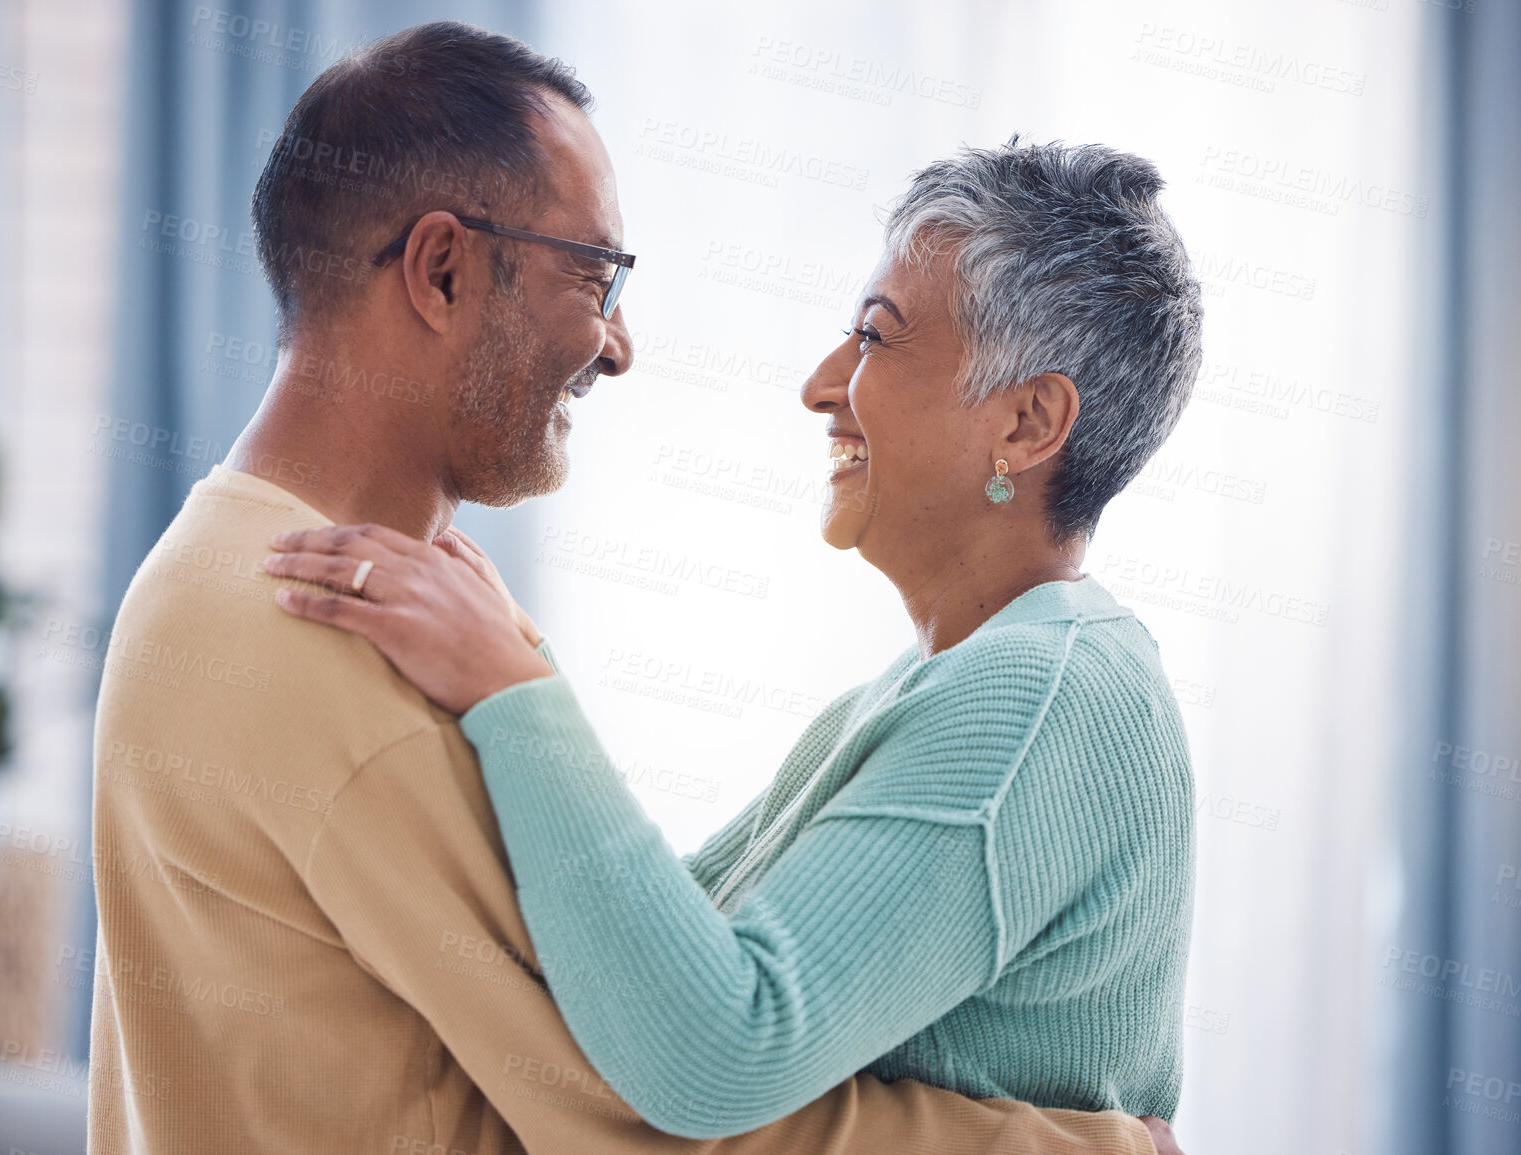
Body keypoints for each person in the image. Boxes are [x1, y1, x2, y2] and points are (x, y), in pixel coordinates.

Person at [87, 19, 1181, 1155]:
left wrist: (519, 685)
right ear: (444, 268)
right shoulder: (316, 629)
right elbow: (649, 1110)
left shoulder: (220, 576)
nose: (618, 345)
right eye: (594, 276)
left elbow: (657, 993)